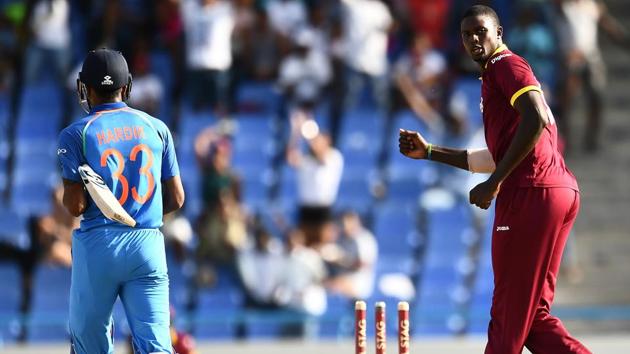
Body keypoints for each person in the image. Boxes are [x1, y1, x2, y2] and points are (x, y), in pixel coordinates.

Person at [399, 6, 591, 354]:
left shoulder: (507, 65)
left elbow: (535, 120)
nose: (474, 39)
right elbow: (500, 153)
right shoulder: (496, 75)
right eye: (466, 34)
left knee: (507, 312)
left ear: (499, 32)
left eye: (481, 31)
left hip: (531, 192)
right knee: (532, 318)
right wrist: (429, 152)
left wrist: (496, 182)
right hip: (553, 189)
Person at [57, 49, 185, 353]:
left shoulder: (76, 134)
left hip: (99, 244)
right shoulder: (157, 128)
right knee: (156, 346)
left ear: (84, 88)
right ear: (126, 87)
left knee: (91, 346)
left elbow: (75, 207)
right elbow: (177, 198)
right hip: (148, 244)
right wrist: (139, 216)